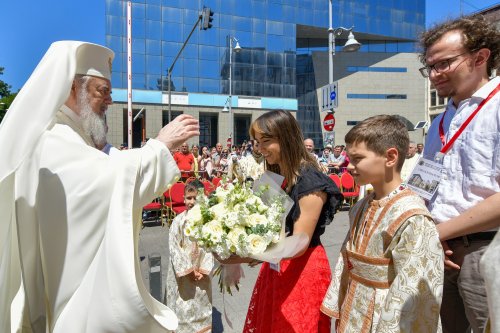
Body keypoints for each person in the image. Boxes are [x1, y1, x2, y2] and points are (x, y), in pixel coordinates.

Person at [0, 41, 199, 333]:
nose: (109, 102)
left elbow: (106, 165)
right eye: (101, 91)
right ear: (71, 89)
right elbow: (107, 180)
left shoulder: (72, 135)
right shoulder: (51, 138)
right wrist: (160, 146)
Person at [321, 115, 444, 333]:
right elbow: (347, 260)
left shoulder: (412, 216)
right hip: (354, 307)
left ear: (390, 157)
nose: (349, 166)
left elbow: (412, 291)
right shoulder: (360, 206)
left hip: (382, 315)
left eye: (357, 159)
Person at [224, 110, 342, 332]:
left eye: (266, 141)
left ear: (286, 137)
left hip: (302, 270)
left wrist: (250, 253)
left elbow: (300, 242)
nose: (260, 148)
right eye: (257, 142)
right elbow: (258, 225)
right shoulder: (273, 175)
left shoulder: (310, 180)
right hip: (276, 266)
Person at [419, 14, 499, 333]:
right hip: (444, 251)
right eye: (430, 67)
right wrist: (426, 230)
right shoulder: (439, 122)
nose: (434, 75)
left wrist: (438, 233)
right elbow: (423, 186)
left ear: (480, 57)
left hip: (487, 249)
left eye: (444, 64)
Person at [164, 182, 214, 333]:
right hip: (182, 277)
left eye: (196, 198)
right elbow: (174, 248)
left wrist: (204, 269)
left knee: (202, 310)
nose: (192, 202)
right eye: (189, 198)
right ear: (184, 199)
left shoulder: (208, 221)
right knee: (182, 309)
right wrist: (189, 270)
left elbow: (211, 247)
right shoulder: (178, 221)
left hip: (202, 276)